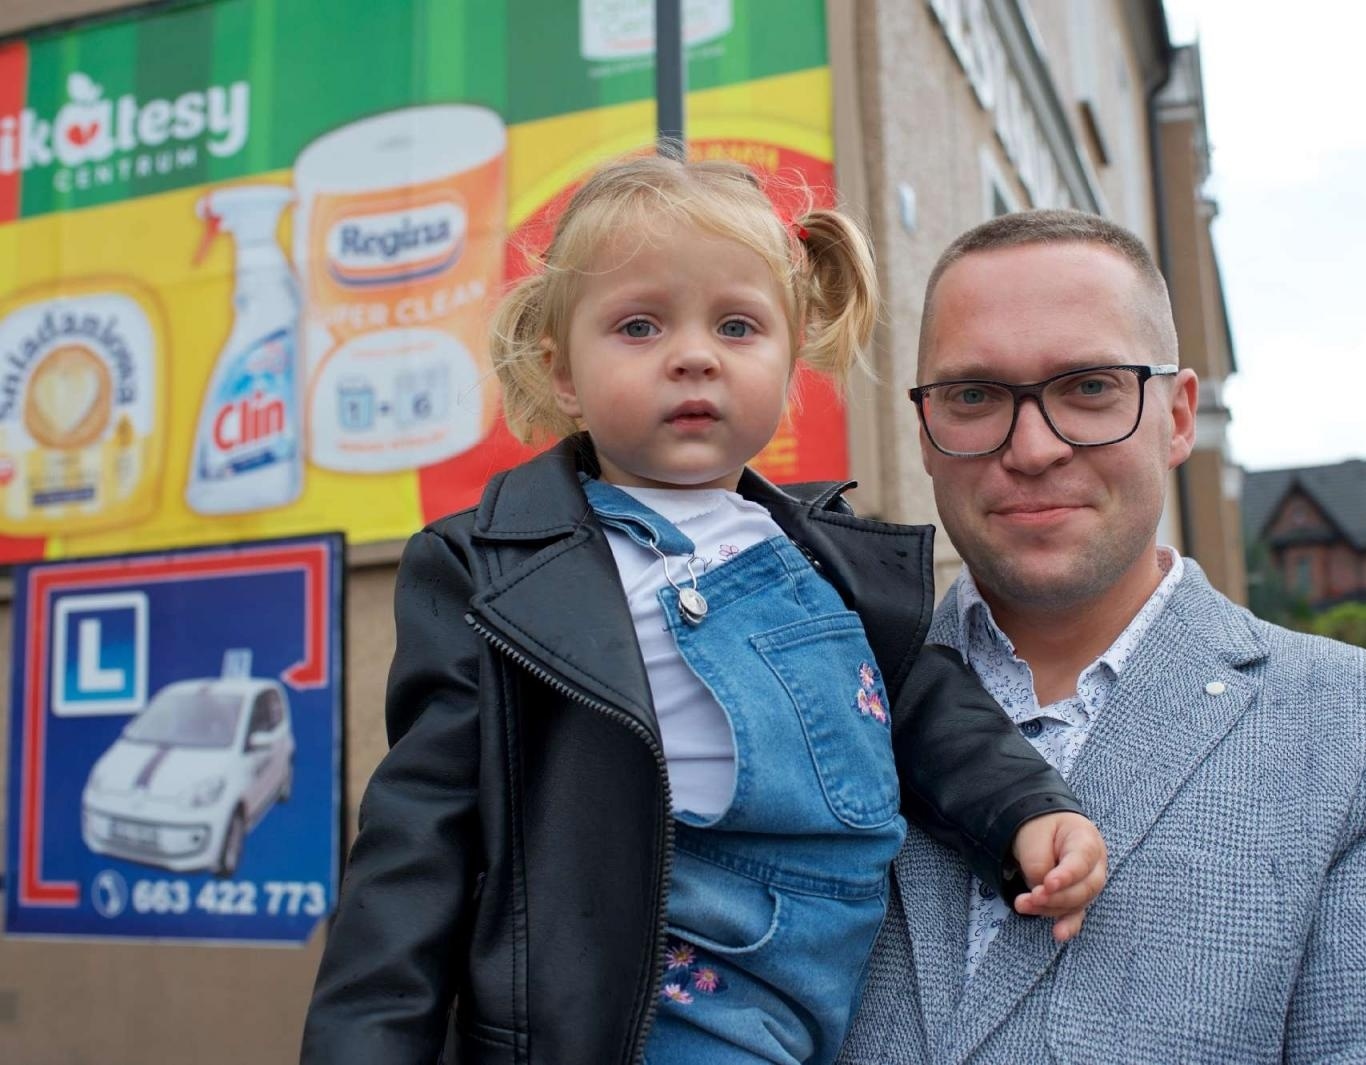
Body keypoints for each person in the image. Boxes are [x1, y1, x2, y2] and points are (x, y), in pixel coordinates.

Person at [300, 158, 1109, 1065]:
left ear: (790, 358)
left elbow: (928, 704)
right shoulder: (491, 569)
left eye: (737, 325)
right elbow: (416, 845)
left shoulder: (825, 555)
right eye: (639, 325)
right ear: (561, 372)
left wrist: (1029, 812)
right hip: (650, 991)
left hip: (827, 991)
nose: (694, 354)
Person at [840, 209, 1366, 1063]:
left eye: (1089, 386)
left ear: (1178, 417)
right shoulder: (821, 689)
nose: (1030, 447)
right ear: (924, 431)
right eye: (974, 396)